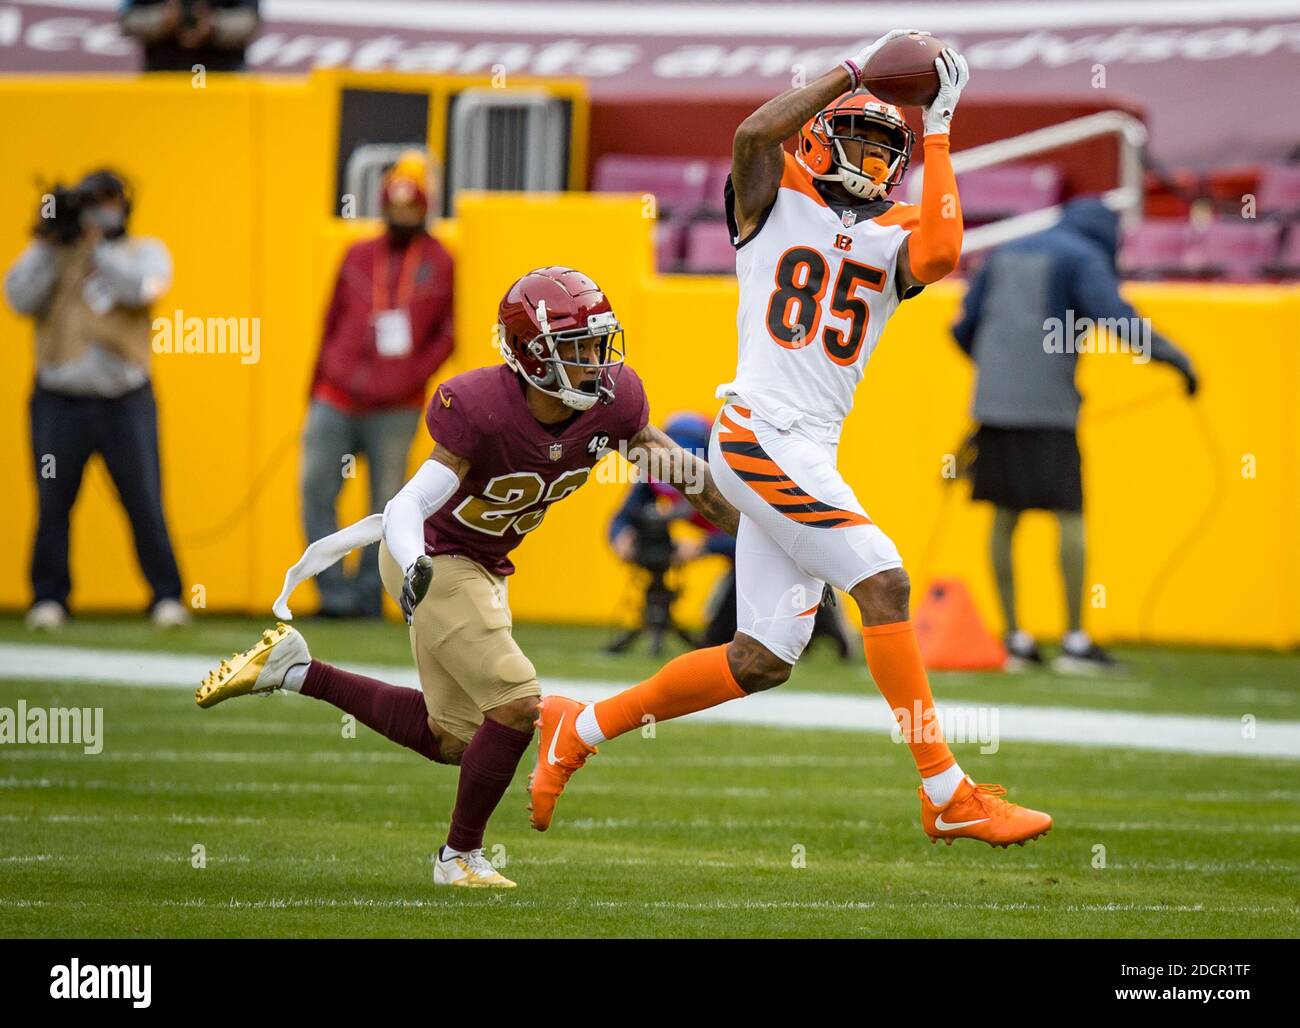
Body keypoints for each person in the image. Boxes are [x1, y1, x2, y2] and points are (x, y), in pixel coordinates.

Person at [528, 30, 1053, 849]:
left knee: (760, 659)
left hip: (806, 447)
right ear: (818, 131)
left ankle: (580, 727)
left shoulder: (893, 236)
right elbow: (749, 136)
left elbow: (946, 252)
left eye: (889, 146)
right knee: (882, 582)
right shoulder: (771, 200)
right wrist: (852, 71)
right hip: (760, 434)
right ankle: (947, 790)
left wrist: (940, 126)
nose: (872, 156)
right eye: (857, 133)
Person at [194, 267, 740, 888]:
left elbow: (685, 476)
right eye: (576, 349)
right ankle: (459, 859)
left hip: (479, 565)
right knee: (516, 704)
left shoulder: (614, 404)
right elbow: (406, 505)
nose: (594, 362)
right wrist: (414, 561)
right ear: (533, 356)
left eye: (597, 345)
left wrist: (751, 536)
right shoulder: (479, 408)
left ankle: (293, 669)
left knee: (451, 738)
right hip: (430, 557)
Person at [951, 197, 1198, 674]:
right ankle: (1075, 641)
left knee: (1004, 515)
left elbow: (963, 328)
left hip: (993, 408)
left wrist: (999, 374)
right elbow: (1120, 320)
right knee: (1068, 512)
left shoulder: (1004, 252)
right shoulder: (1082, 256)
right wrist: (1177, 360)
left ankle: (1016, 640)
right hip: (1049, 411)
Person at [4, 169, 188, 630]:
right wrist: (50, 243)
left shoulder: (143, 251)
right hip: (58, 400)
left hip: (124, 399)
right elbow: (16, 297)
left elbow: (144, 289)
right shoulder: (53, 253)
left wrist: (96, 247)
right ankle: (49, 598)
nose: (99, 211)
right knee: (53, 501)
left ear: (124, 206)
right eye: (90, 202)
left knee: (144, 498)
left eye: (107, 201)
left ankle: (166, 596)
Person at [302, 153, 454, 618]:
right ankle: (331, 593)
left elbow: (446, 336)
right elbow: (330, 321)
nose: (402, 215)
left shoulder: (440, 260)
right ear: (383, 205)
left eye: (412, 207)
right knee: (315, 486)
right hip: (337, 394)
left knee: (387, 502)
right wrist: (317, 384)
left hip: (397, 405)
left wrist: (409, 378)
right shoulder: (357, 254)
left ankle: (368, 595)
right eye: (395, 205)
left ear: (425, 209)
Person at [119, 0, 260, 73]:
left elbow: (250, 20)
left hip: (224, 74)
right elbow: (127, 20)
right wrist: (164, 19)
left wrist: (212, 25)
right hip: (162, 74)